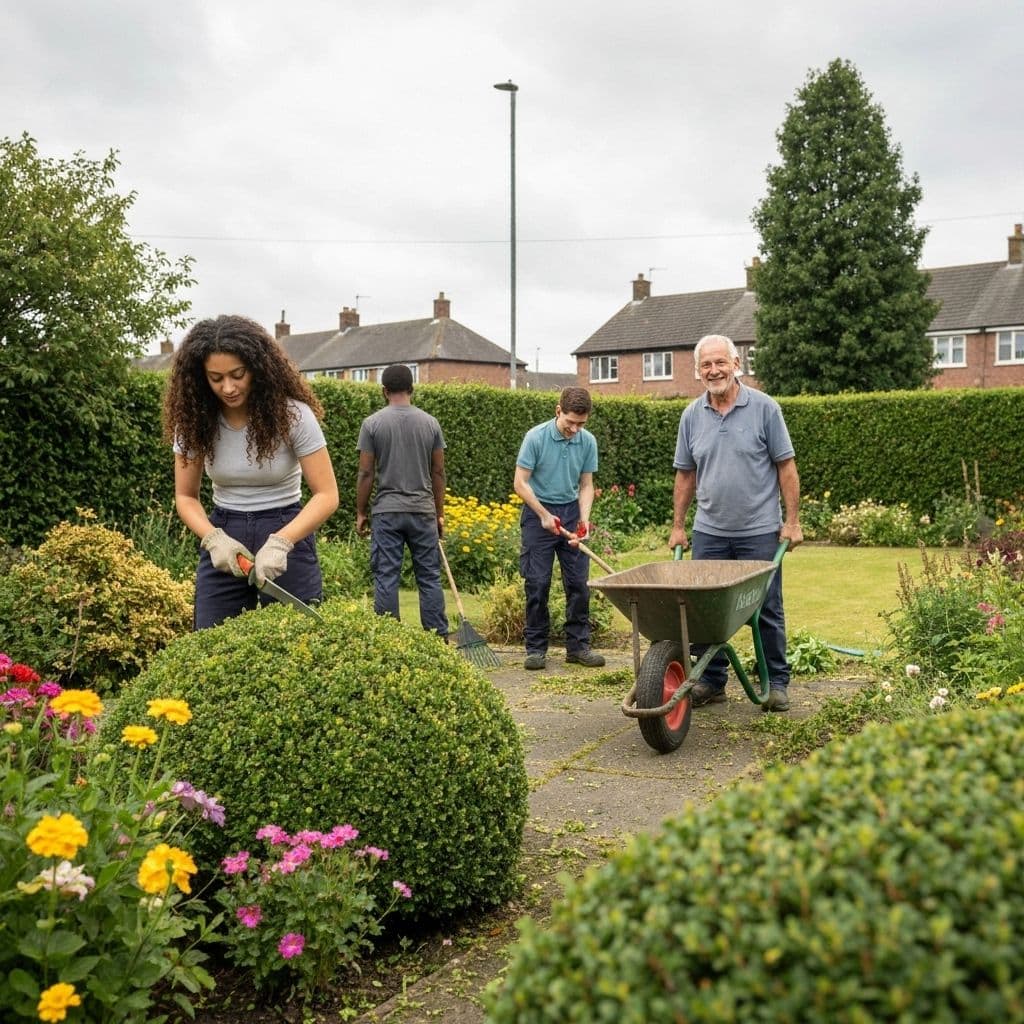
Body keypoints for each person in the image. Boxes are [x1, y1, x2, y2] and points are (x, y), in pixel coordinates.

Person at [164, 314, 340, 630]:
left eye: (237, 374)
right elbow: (185, 496)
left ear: (257, 369)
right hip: (225, 531)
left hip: (286, 527)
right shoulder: (192, 421)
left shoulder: (293, 416)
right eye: (216, 378)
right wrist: (213, 538)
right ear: (201, 377)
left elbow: (327, 495)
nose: (228, 387)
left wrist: (283, 542)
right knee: (211, 643)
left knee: (297, 641)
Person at [669, 334, 803, 712]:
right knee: (704, 610)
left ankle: (775, 681)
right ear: (698, 372)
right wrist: (679, 526)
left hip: (759, 530)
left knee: (766, 608)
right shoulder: (692, 415)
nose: (714, 370)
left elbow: (786, 467)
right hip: (709, 530)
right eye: (706, 365)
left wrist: (791, 522)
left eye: (720, 363)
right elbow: (685, 475)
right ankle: (711, 681)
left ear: (736, 365)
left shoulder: (764, 409)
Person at [514, 386, 605, 670]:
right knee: (537, 583)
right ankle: (536, 649)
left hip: (569, 513)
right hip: (537, 513)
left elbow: (586, 484)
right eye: (570, 422)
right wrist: (542, 514)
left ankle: (578, 647)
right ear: (558, 411)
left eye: (581, 424)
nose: (575, 429)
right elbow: (520, 483)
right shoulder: (536, 438)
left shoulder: (587, 441)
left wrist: (583, 520)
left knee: (578, 584)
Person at [355, 364, 448, 640]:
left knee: (386, 577)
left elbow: (366, 472)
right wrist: (438, 514)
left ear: (384, 391)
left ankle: (390, 640)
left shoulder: (372, 424)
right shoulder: (431, 423)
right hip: (422, 512)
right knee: (429, 577)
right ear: (412, 389)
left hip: (387, 512)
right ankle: (437, 639)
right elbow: (439, 472)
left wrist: (361, 512)